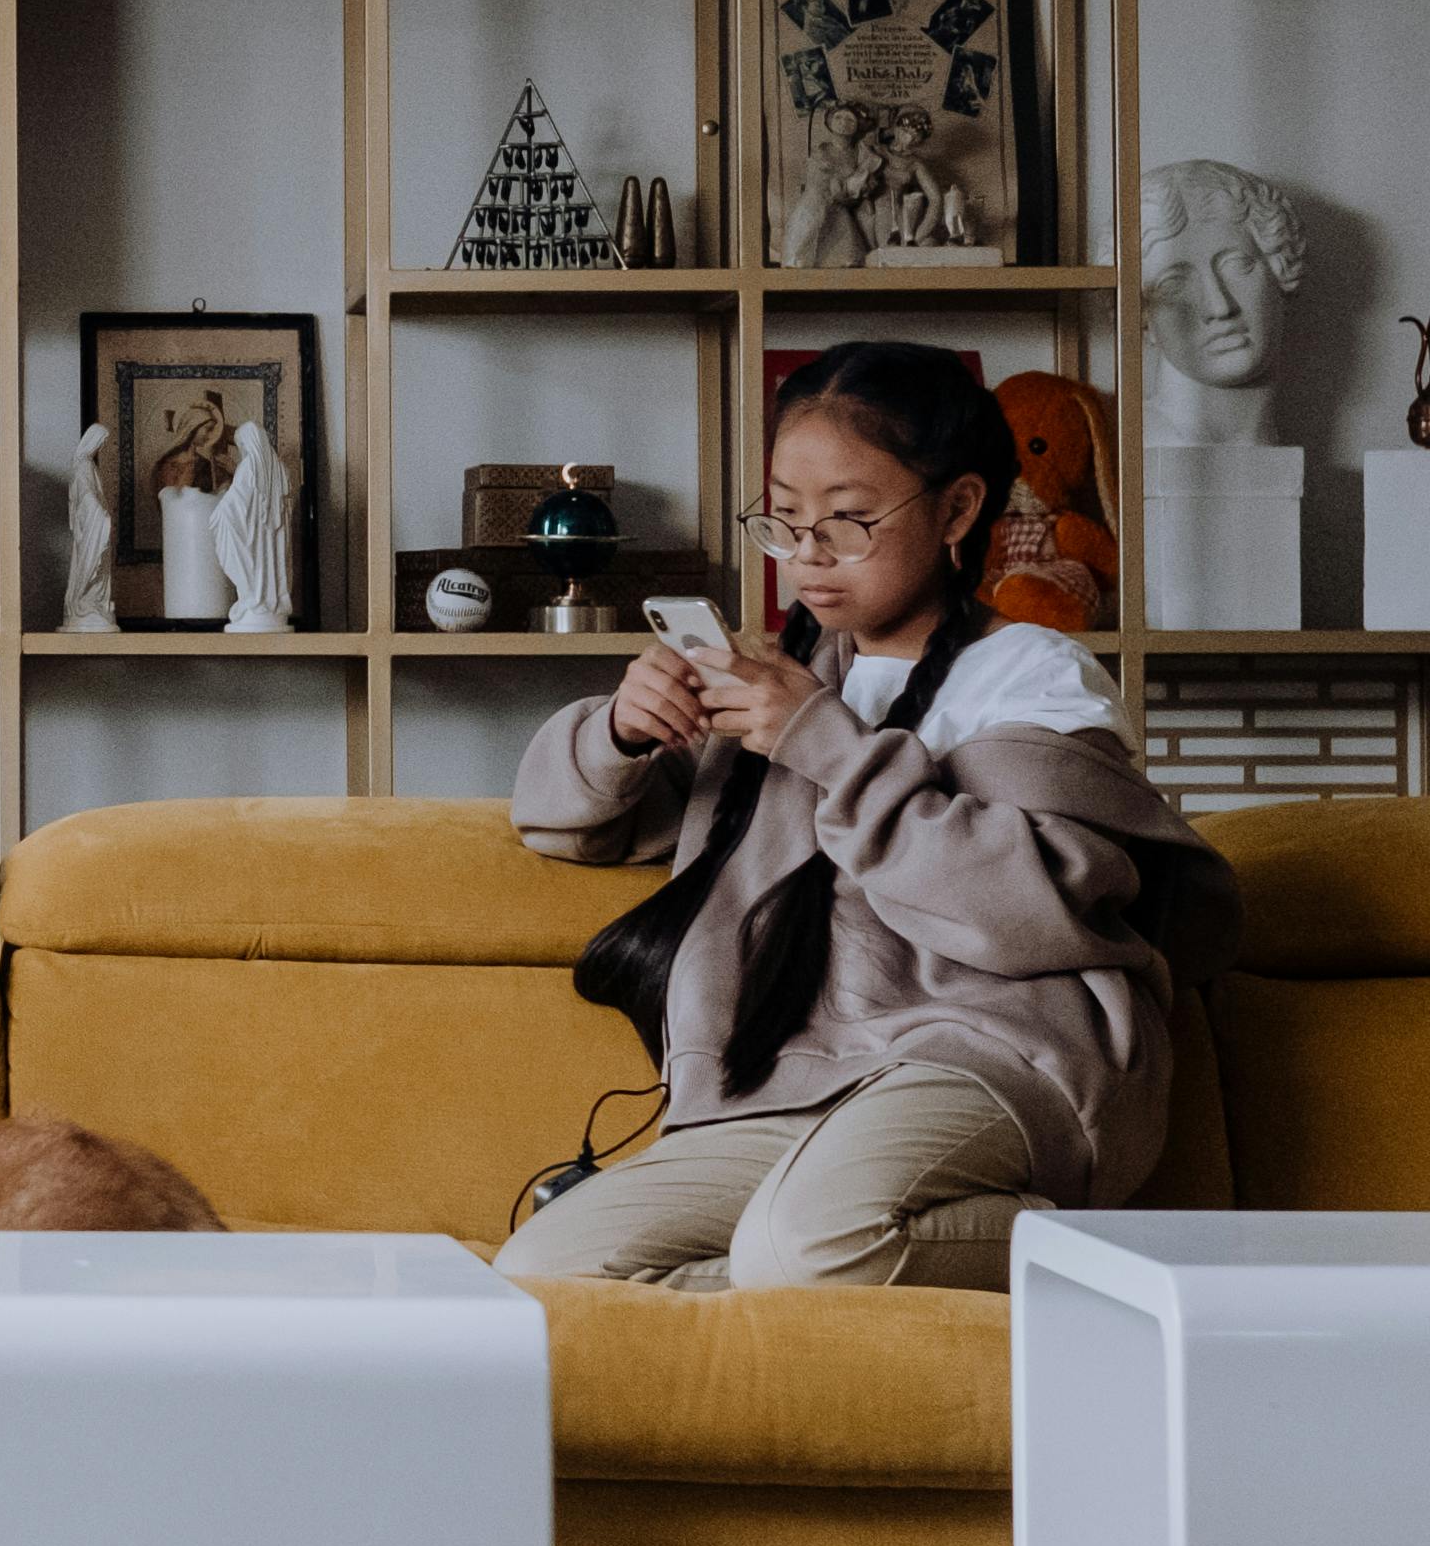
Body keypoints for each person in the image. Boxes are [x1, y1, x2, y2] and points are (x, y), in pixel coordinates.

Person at [496, 339, 1231, 1296]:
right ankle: (789, 1278)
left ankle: (1118, 1269)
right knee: (543, 1272)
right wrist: (623, 731)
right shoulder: (782, 677)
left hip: (997, 1058)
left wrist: (824, 743)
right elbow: (561, 821)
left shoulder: (1036, 675)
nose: (808, 554)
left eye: (847, 519)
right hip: (787, 1084)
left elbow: (1037, 909)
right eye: (785, 518)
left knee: (810, 1244)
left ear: (958, 509)